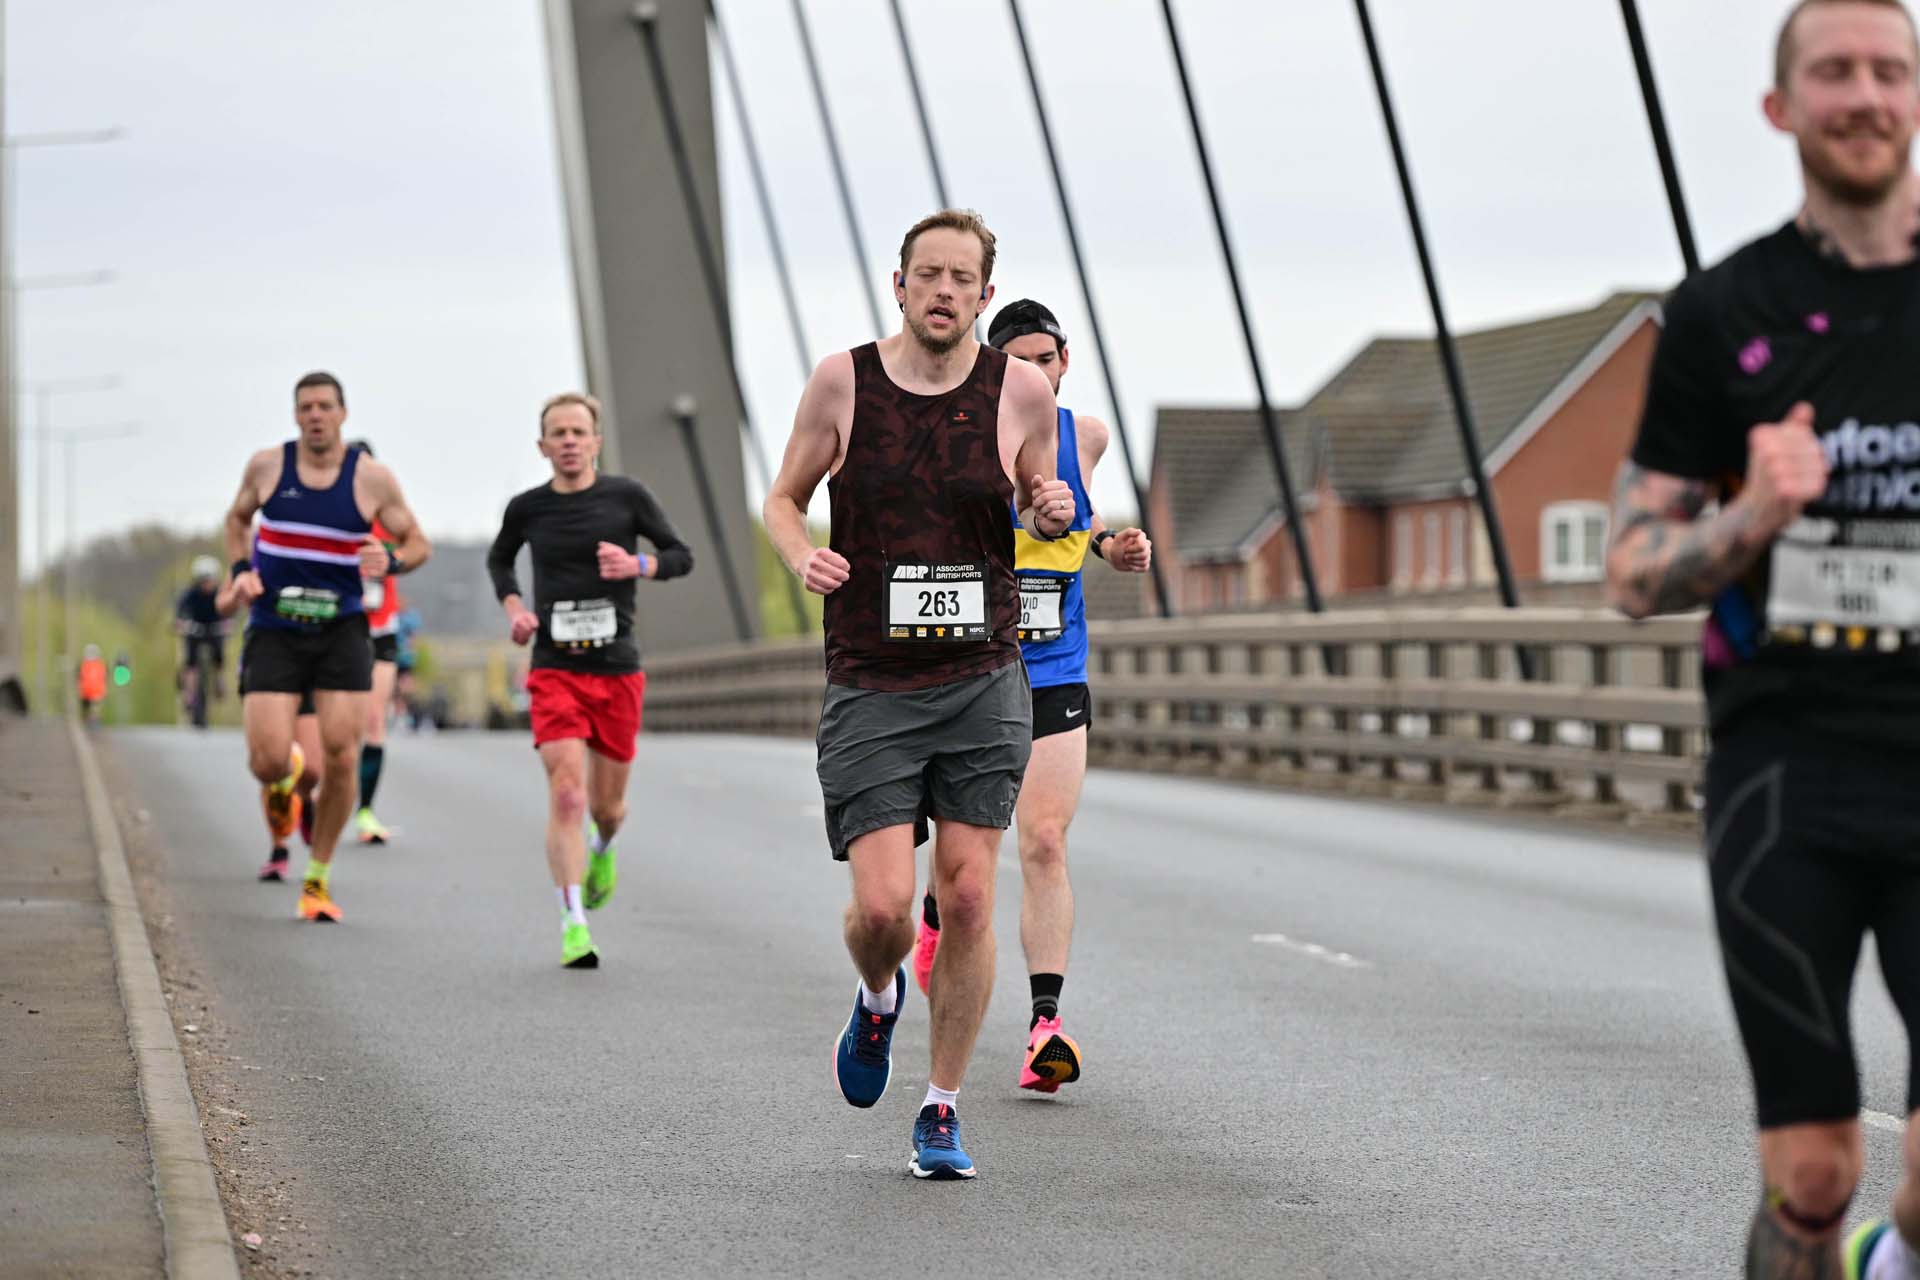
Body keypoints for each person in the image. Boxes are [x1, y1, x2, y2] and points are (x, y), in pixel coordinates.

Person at [1605, 2, 1920, 1274]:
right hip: (1786, 773)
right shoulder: (1721, 308)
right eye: (1834, 72)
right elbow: (1631, 570)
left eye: (1891, 70)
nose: (1865, 94)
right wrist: (1752, 513)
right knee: (1815, 1170)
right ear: (1782, 109)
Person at [763, 208, 1074, 1180]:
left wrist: (1048, 501)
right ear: (899, 284)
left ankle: (939, 1105)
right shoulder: (841, 380)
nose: (944, 290)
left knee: (971, 892)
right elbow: (782, 496)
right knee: (887, 906)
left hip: (983, 673)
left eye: (962, 277)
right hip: (871, 679)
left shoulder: (1019, 390)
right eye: (926, 274)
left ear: (984, 294)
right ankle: (878, 994)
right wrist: (802, 552)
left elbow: (1038, 493)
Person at [912, 298, 1154, 1096]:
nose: (1034, 374)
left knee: (1044, 840)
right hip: (970, 670)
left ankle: (1044, 1028)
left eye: (1044, 359)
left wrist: (1114, 548)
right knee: (968, 853)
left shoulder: (1088, 437)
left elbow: (1076, 536)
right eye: (1016, 361)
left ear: (1064, 362)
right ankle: (936, 912)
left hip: (1053, 667)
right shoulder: (963, 434)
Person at [487, 391, 693, 969]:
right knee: (567, 792)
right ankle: (573, 922)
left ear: (596, 442)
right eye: (559, 433)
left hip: (617, 669)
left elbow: (681, 555)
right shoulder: (527, 508)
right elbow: (500, 560)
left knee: (608, 808)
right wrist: (515, 611)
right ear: (542, 445)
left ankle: (603, 847)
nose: (570, 442)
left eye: (580, 432)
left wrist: (638, 565)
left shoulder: (627, 499)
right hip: (556, 667)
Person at [220, 371, 430, 921]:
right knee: (267, 759)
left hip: (341, 629)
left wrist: (394, 560)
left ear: (343, 414)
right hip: (275, 626)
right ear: (296, 415)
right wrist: (242, 570)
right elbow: (237, 518)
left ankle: (317, 878)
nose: (315, 415)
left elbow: (417, 541)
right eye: (305, 407)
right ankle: (281, 786)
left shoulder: (372, 480)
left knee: (341, 754)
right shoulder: (268, 466)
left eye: (325, 406)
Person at [348, 440, 401, 846]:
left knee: (373, 720)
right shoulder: (333, 516)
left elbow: (417, 545)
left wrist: (395, 558)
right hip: (340, 629)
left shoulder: (389, 515)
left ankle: (365, 810)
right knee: (338, 726)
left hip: (381, 628)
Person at [175, 555, 228, 725]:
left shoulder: (220, 593)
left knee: (219, 655)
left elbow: (229, 611)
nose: (208, 584)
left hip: (213, 630)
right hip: (195, 631)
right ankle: (189, 694)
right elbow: (180, 612)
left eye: (210, 580)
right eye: (204, 580)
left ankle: (219, 681)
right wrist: (181, 623)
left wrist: (227, 624)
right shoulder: (190, 594)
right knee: (190, 661)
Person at [75, 644, 107, 725]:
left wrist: (78, 689)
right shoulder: (101, 665)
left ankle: (86, 722)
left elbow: (79, 678)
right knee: (95, 709)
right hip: (97, 692)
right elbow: (104, 678)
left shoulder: (83, 665)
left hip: (85, 691)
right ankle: (95, 720)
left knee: (86, 709)